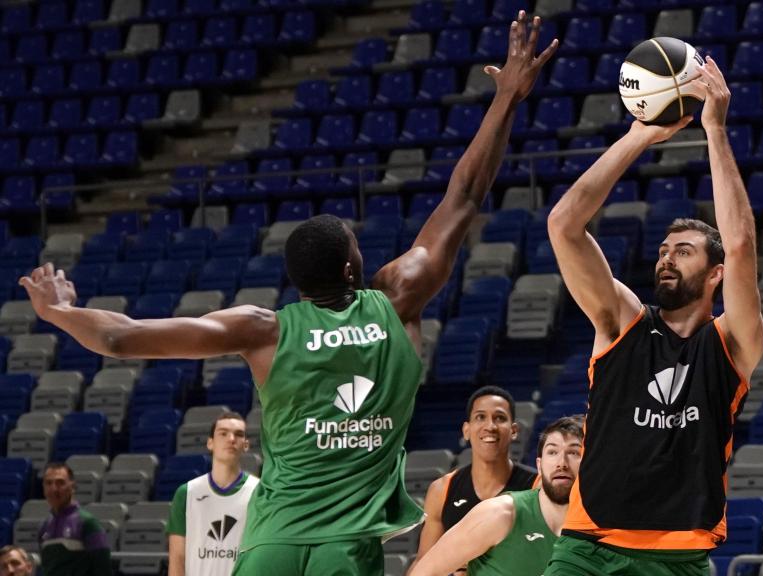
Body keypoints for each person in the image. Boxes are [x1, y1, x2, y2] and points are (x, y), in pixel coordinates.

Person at [17, 12, 556, 576]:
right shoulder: (397, 300)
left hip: (270, 542)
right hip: (345, 546)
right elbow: (465, 195)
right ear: (354, 266)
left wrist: (60, 310)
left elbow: (120, 339)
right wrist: (507, 100)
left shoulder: (264, 328)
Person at [544, 56, 763, 575]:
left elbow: (741, 243)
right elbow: (564, 224)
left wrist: (714, 131)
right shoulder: (621, 321)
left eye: (683, 251)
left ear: (715, 274)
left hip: (681, 556)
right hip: (589, 549)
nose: (666, 256)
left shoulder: (731, 343)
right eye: (664, 249)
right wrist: (638, 138)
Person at [410, 416, 582, 576]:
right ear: (539, 465)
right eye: (552, 452)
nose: (561, 463)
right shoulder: (499, 513)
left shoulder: (602, 529)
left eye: (574, 453)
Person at [413, 387, 537, 568]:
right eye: (480, 417)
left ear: (514, 430)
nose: (490, 426)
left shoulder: (537, 486)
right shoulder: (442, 490)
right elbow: (423, 562)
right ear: (466, 430)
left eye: (500, 418)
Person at [167, 412, 259, 576]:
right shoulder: (186, 493)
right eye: (223, 433)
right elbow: (177, 558)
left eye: (238, 435)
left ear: (246, 445)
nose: (231, 439)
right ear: (210, 443)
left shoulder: (259, 491)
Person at [37, 463, 112, 576]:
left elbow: (103, 569)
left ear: (72, 487)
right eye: (48, 483)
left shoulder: (88, 523)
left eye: (60, 483)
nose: (54, 489)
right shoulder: (44, 527)